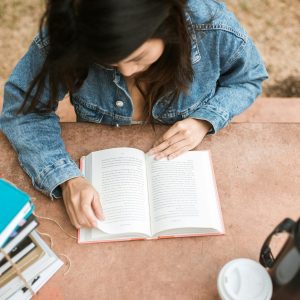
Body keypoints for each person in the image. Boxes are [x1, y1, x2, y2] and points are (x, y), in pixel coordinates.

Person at [0, 0, 268, 229]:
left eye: (138, 56)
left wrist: (204, 119)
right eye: (108, 61)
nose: (127, 72)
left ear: (168, 25)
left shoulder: (211, 26)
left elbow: (248, 78)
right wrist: (65, 177)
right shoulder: (72, 31)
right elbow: (22, 111)